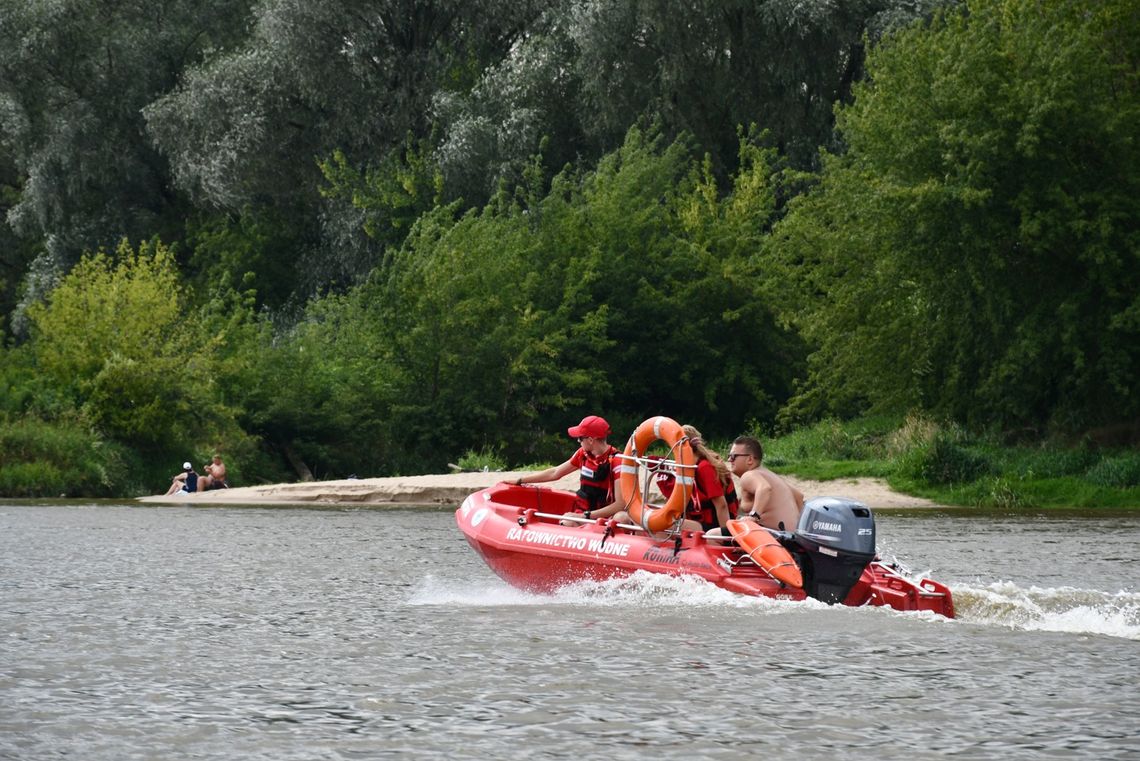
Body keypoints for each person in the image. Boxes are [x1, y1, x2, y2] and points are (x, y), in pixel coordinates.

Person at [505, 415, 625, 520]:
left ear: (590, 440)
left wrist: (587, 516)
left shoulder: (617, 461)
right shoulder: (582, 454)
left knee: (622, 517)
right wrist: (520, 480)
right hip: (584, 513)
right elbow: (555, 472)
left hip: (603, 517)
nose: (578, 441)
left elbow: (620, 504)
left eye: (580, 438)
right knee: (567, 521)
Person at [726, 435, 804, 532]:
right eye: (729, 456)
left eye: (733, 456)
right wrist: (801, 529)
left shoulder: (748, 475)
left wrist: (753, 516)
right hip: (792, 537)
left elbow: (764, 488)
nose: (729, 460)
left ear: (750, 459)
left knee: (712, 535)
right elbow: (799, 496)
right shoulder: (769, 475)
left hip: (775, 536)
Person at [677, 424, 739, 536]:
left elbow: (722, 505)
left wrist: (724, 535)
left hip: (714, 525)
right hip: (701, 521)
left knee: (668, 524)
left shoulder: (704, 467)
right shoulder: (689, 468)